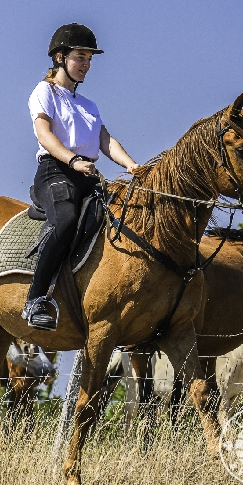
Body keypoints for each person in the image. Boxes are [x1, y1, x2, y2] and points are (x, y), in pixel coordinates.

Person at [23, 23, 139, 331]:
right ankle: (35, 299)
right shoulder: (44, 91)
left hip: (87, 175)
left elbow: (106, 141)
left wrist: (133, 166)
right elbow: (44, 135)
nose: (87, 65)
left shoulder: (89, 105)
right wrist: (73, 160)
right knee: (66, 219)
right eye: (80, 57)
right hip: (55, 171)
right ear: (60, 57)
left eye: (89, 59)